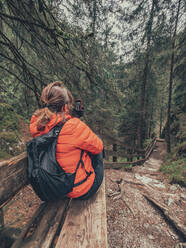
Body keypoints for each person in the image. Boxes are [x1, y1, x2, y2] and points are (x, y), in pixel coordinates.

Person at [29, 81, 104, 199]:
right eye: (68, 104)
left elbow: (57, 129)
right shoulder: (73, 126)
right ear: (65, 107)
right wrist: (77, 120)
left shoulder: (38, 125)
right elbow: (98, 147)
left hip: (55, 187)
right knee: (97, 149)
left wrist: (73, 117)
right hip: (79, 190)